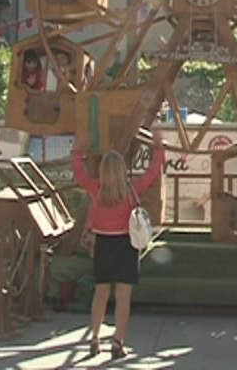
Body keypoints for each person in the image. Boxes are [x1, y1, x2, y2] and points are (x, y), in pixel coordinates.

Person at [72, 129, 165, 360]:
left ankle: (94, 339)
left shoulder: (97, 190)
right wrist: (158, 145)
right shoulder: (132, 189)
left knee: (100, 293)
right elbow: (154, 171)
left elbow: (78, 173)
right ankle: (117, 342)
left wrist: (77, 149)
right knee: (123, 299)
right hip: (126, 244)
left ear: (103, 171)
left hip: (102, 244)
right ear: (122, 170)